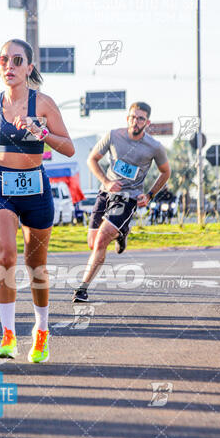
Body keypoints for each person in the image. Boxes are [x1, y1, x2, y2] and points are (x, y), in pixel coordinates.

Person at [0, 39, 74, 362]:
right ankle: (8, 335)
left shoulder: (43, 104)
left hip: (35, 188)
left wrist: (41, 133)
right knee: (5, 254)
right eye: (3, 60)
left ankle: (41, 330)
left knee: (36, 266)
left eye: (17, 60)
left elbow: (69, 147)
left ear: (29, 67)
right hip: (1, 185)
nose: (9, 66)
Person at [72, 101, 171, 302]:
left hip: (128, 198)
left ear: (147, 122)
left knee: (101, 239)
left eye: (141, 118)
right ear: (128, 118)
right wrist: (107, 181)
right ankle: (122, 232)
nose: (136, 121)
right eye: (133, 117)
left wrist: (150, 194)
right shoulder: (113, 135)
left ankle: (82, 288)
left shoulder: (154, 147)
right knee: (92, 243)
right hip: (105, 193)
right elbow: (92, 159)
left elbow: (165, 172)